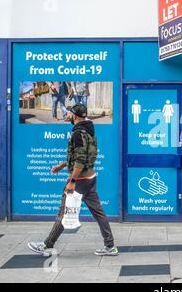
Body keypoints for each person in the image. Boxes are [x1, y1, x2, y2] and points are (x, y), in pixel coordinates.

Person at [28, 104, 118, 257]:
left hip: (80, 180)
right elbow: (80, 155)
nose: (68, 114)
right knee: (98, 213)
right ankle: (110, 246)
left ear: (75, 115)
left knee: (63, 212)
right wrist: (62, 165)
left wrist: (72, 181)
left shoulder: (78, 133)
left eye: (69, 112)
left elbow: (81, 159)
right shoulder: (89, 130)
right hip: (90, 177)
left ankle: (46, 245)